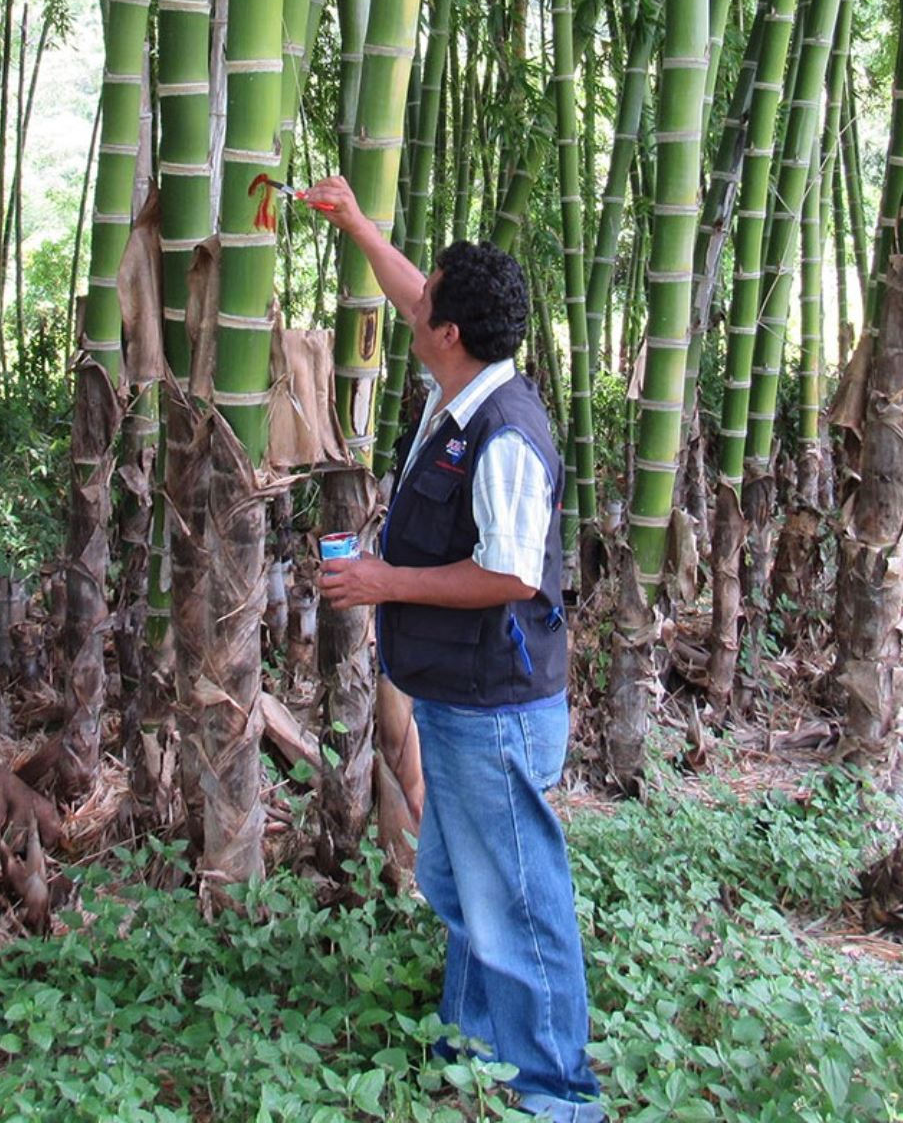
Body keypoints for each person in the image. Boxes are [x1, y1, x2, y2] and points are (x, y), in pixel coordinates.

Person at [306, 174, 603, 1123]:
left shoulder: (504, 435)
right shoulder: (465, 386)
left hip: (496, 709)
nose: (413, 300)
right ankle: (470, 1043)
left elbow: (513, 575)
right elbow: (410, 290)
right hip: (463, 700)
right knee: (459, 878)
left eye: (426, 299)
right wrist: (356, 225)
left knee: (516, 899)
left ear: (450, 335)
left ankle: (557, 1094)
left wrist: (384, 582)